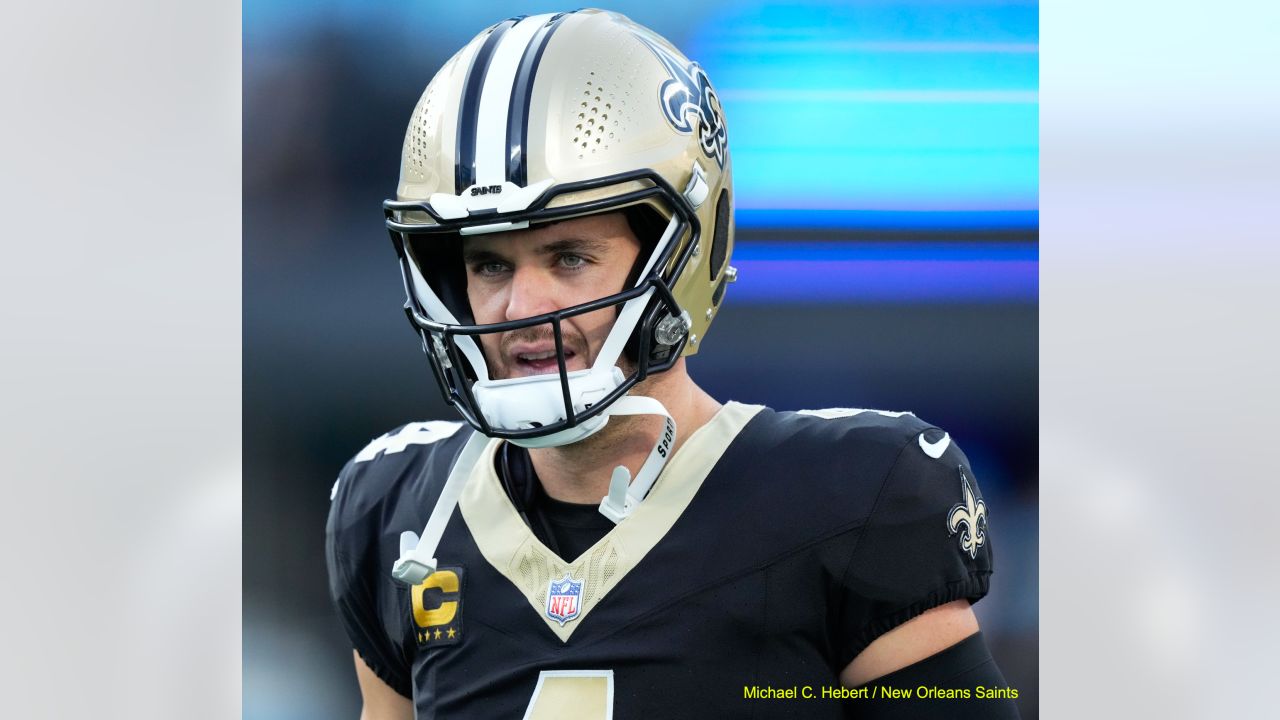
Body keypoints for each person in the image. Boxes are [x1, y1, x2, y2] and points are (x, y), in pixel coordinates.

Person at [326, 9, 1018, 719]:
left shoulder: (850, 497)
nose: (519, 304)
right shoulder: (398, 513)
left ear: (684, 254)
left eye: (569, 258)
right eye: (489, 263)